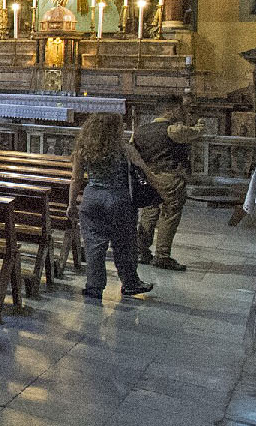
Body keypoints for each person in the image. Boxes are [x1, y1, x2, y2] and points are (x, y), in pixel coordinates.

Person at [69, 112, 157, 299]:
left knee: (94, 246)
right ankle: (130, 282)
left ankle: (94, 286)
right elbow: (144, 171)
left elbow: (76, 180)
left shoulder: (83, 149)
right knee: (125, 244)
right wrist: (161, 191)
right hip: (119, 200)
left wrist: (71, 204)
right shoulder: (125, 149)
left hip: (92, 200)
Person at [134, 94, 201, 271]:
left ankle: (141, 251)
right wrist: (199, 125)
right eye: (180, 108)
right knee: (169, 214)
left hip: (148, 177)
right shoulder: (173, 130)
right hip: (169, 177)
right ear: (171, 110)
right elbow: (195, 133)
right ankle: (162, 255)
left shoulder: (140, 130)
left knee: (149, 213)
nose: (181, 111)